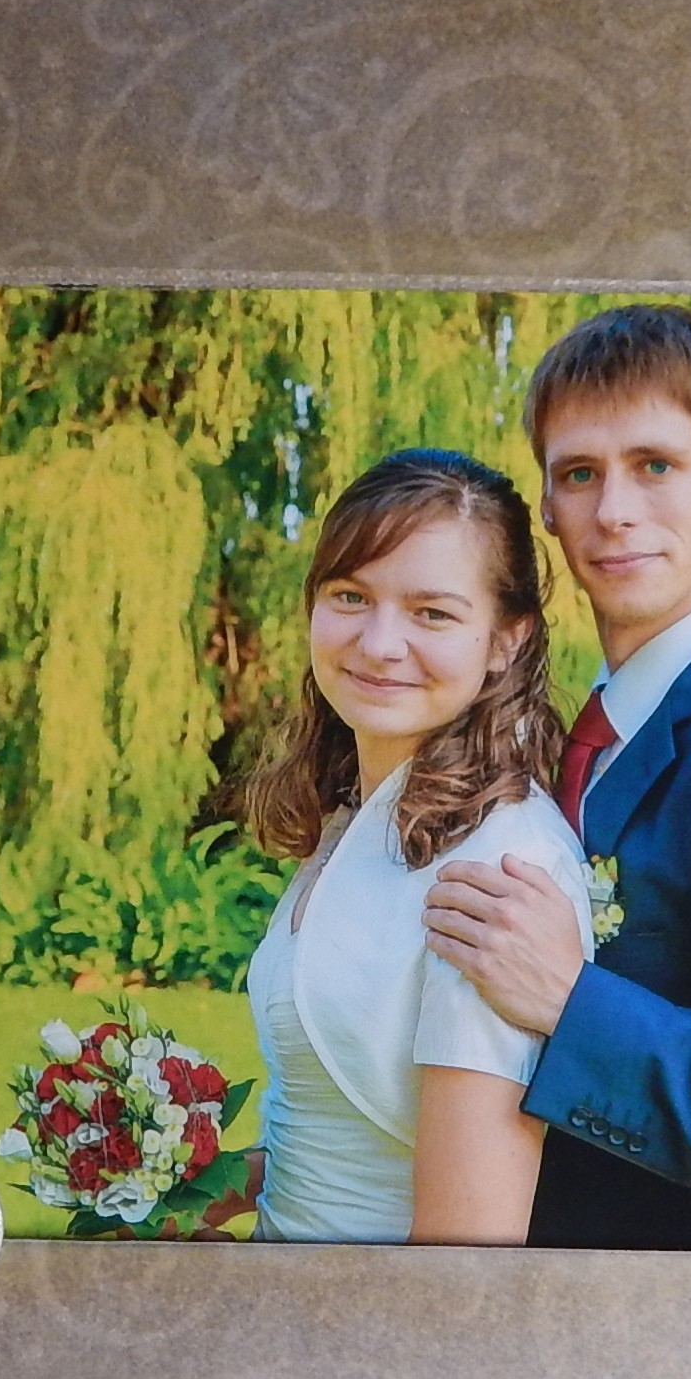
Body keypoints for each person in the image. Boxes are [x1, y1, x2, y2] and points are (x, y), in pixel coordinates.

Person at [422, 304, 691, 1249]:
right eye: (580, 474)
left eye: (656, 465)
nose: (614, 512)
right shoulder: (577, 733)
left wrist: (574, 1003)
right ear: (547, 507)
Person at [233, 450, 592, 1244]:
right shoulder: (359, 816)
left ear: (505, 640)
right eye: (350, 596)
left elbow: (466, 1246)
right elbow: (355, 1128)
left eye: (431, 614)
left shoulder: (495, 871)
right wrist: (200, 1184)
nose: (379, 643)